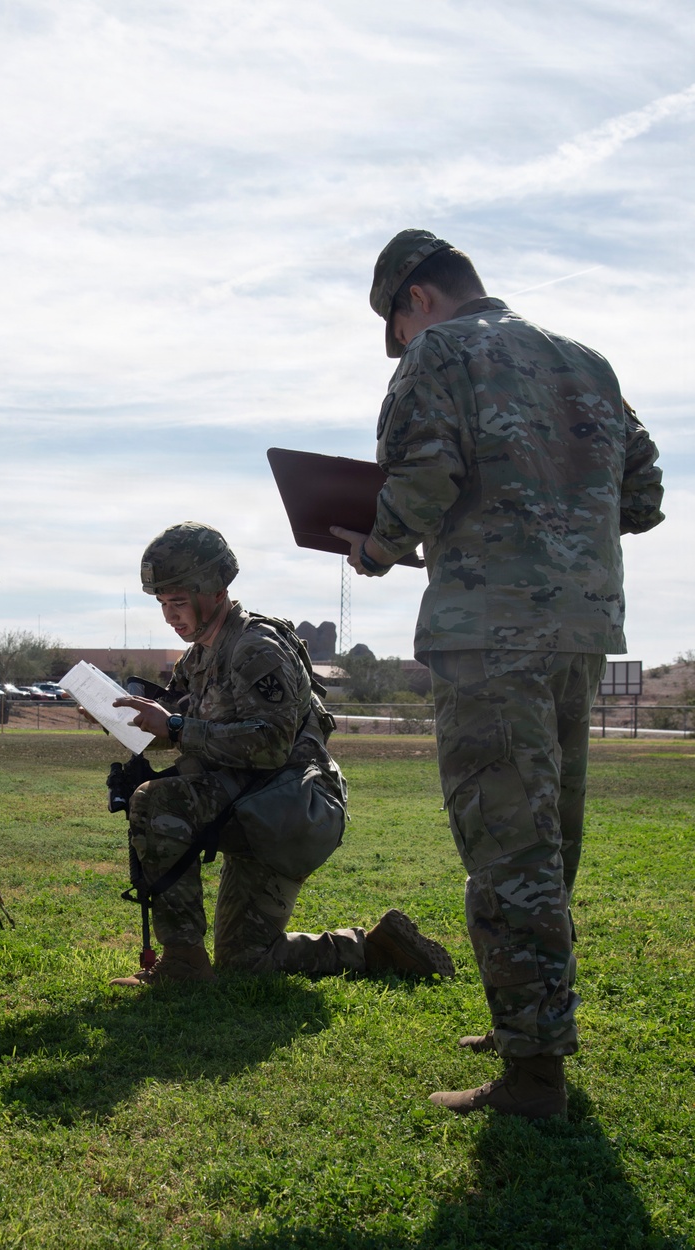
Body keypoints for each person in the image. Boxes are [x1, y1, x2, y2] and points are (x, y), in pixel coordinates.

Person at [332, 229, 664, 1119]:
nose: (401, 345)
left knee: (507, 844)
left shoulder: (441, 352)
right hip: (579, 630)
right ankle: (529, 1023)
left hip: (488, 633)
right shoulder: (586, 360)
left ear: (417, 301)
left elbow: (425, 476)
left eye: (395, 328)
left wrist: (376, 547)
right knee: (547, 840)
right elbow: (644, 495)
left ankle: (534, 1077)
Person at [109, 520, 456, 987]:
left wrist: (173, 725)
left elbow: (269, 745)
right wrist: (129, 721)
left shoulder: (256, 647)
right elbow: (187, 731)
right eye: (162, 604)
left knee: (160, 805)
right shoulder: (198, 658)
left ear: (213, 591)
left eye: (177, 602)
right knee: (243, 956)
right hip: (245, 802)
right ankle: (366, 948)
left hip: (288, 808)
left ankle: (189, 964)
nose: (170, 615)